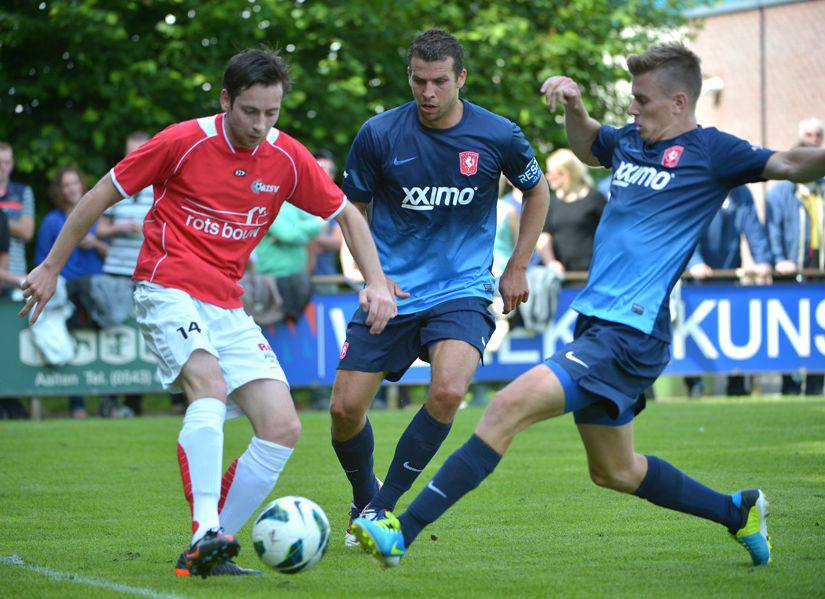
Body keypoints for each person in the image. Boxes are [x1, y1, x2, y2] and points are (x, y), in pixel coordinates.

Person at [352, 42, 825, 569]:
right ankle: (738, 513)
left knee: (506, 407)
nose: (630, 107)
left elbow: (790, 162)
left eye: (641, 99)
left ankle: (399, 531)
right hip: (597, 325)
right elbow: (585, 146)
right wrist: (575, 108)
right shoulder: (630, 142)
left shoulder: (713, 152)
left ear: (678, 100)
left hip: (632, 332)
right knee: (616, 472)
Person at [21, 48, 395, 578]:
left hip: (226, 301)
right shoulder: (182, 141)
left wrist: (376, 282)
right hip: (166, 284)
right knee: (210, 387)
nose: (262, 126)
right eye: (250, 112)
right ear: (225, 100)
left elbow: (347, 217)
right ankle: (203, 532)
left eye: (272, 114)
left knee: (283, 425)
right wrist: (52, 266)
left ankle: (211, 549)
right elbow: (100, 195)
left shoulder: (286, 156)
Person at [332, 28, 550, 548]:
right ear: (409, 76)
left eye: (439, 82)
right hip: (395, 291)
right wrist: (374, 280)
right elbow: (350, 211)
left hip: (462, 289)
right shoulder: (379, 134)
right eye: (418, 81)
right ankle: (366, 493)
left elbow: (538, 191)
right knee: (343, 410)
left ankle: (381, 512)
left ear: (461, 79)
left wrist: (517, 267)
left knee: (450, 390)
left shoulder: (497, 135)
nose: (427, 93)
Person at [684, 185, 773, 397]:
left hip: (730, 273)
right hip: (697, 277)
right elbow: (687, 229)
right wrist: (694, 263)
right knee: (696, 332)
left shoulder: (741, 193)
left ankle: (737, 383)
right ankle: (695, 383)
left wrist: (763, 261)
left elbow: (754, 230)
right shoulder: (695, 188)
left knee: (737, 326)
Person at [36, 166, 108, 419]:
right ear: (59, 190)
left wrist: (97, 243)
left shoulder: (100, 217)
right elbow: (42, 260)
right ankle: (76, 404)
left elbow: (116, 257)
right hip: (65, 292)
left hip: (96, 290)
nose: (70, 189)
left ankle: (108, 403)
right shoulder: (52, 221)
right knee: (68, 341)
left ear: (82, 184)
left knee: (103, 343)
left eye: (74, 183)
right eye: (65, 185)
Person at [95, 131, 156, 417]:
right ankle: (109, 399)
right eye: (130, 152)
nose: (135, 158)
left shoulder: (161, 187)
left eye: (139, 152)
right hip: (117, 272)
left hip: (149, 275)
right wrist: (120, 228)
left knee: (146, 336)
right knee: (114, 336)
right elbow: (101, 230)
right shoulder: (117, 185)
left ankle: (136, 401)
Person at [765, 118, 824, 396]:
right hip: (790, 272)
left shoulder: (821, 191)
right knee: (789, 334)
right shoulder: (780, 193)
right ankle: (790, 386)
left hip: (818, 269)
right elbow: (773, 230)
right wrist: (779, 260)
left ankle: (815, 387)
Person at [538, 148, 606, 273]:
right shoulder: (550, 202)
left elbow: (608, 234)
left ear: (567, 173)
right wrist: (551, 262)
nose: (548, 177)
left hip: (589, 273)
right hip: (559, 276)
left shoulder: (595, 198)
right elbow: (543, 236)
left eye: (553, 173)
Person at [0, 141, 35, 291]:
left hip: (15, 274)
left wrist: (2, 221)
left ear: (12, 164)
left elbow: (27, 232)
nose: (2, 167)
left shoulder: (23, 192)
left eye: (6, 162)